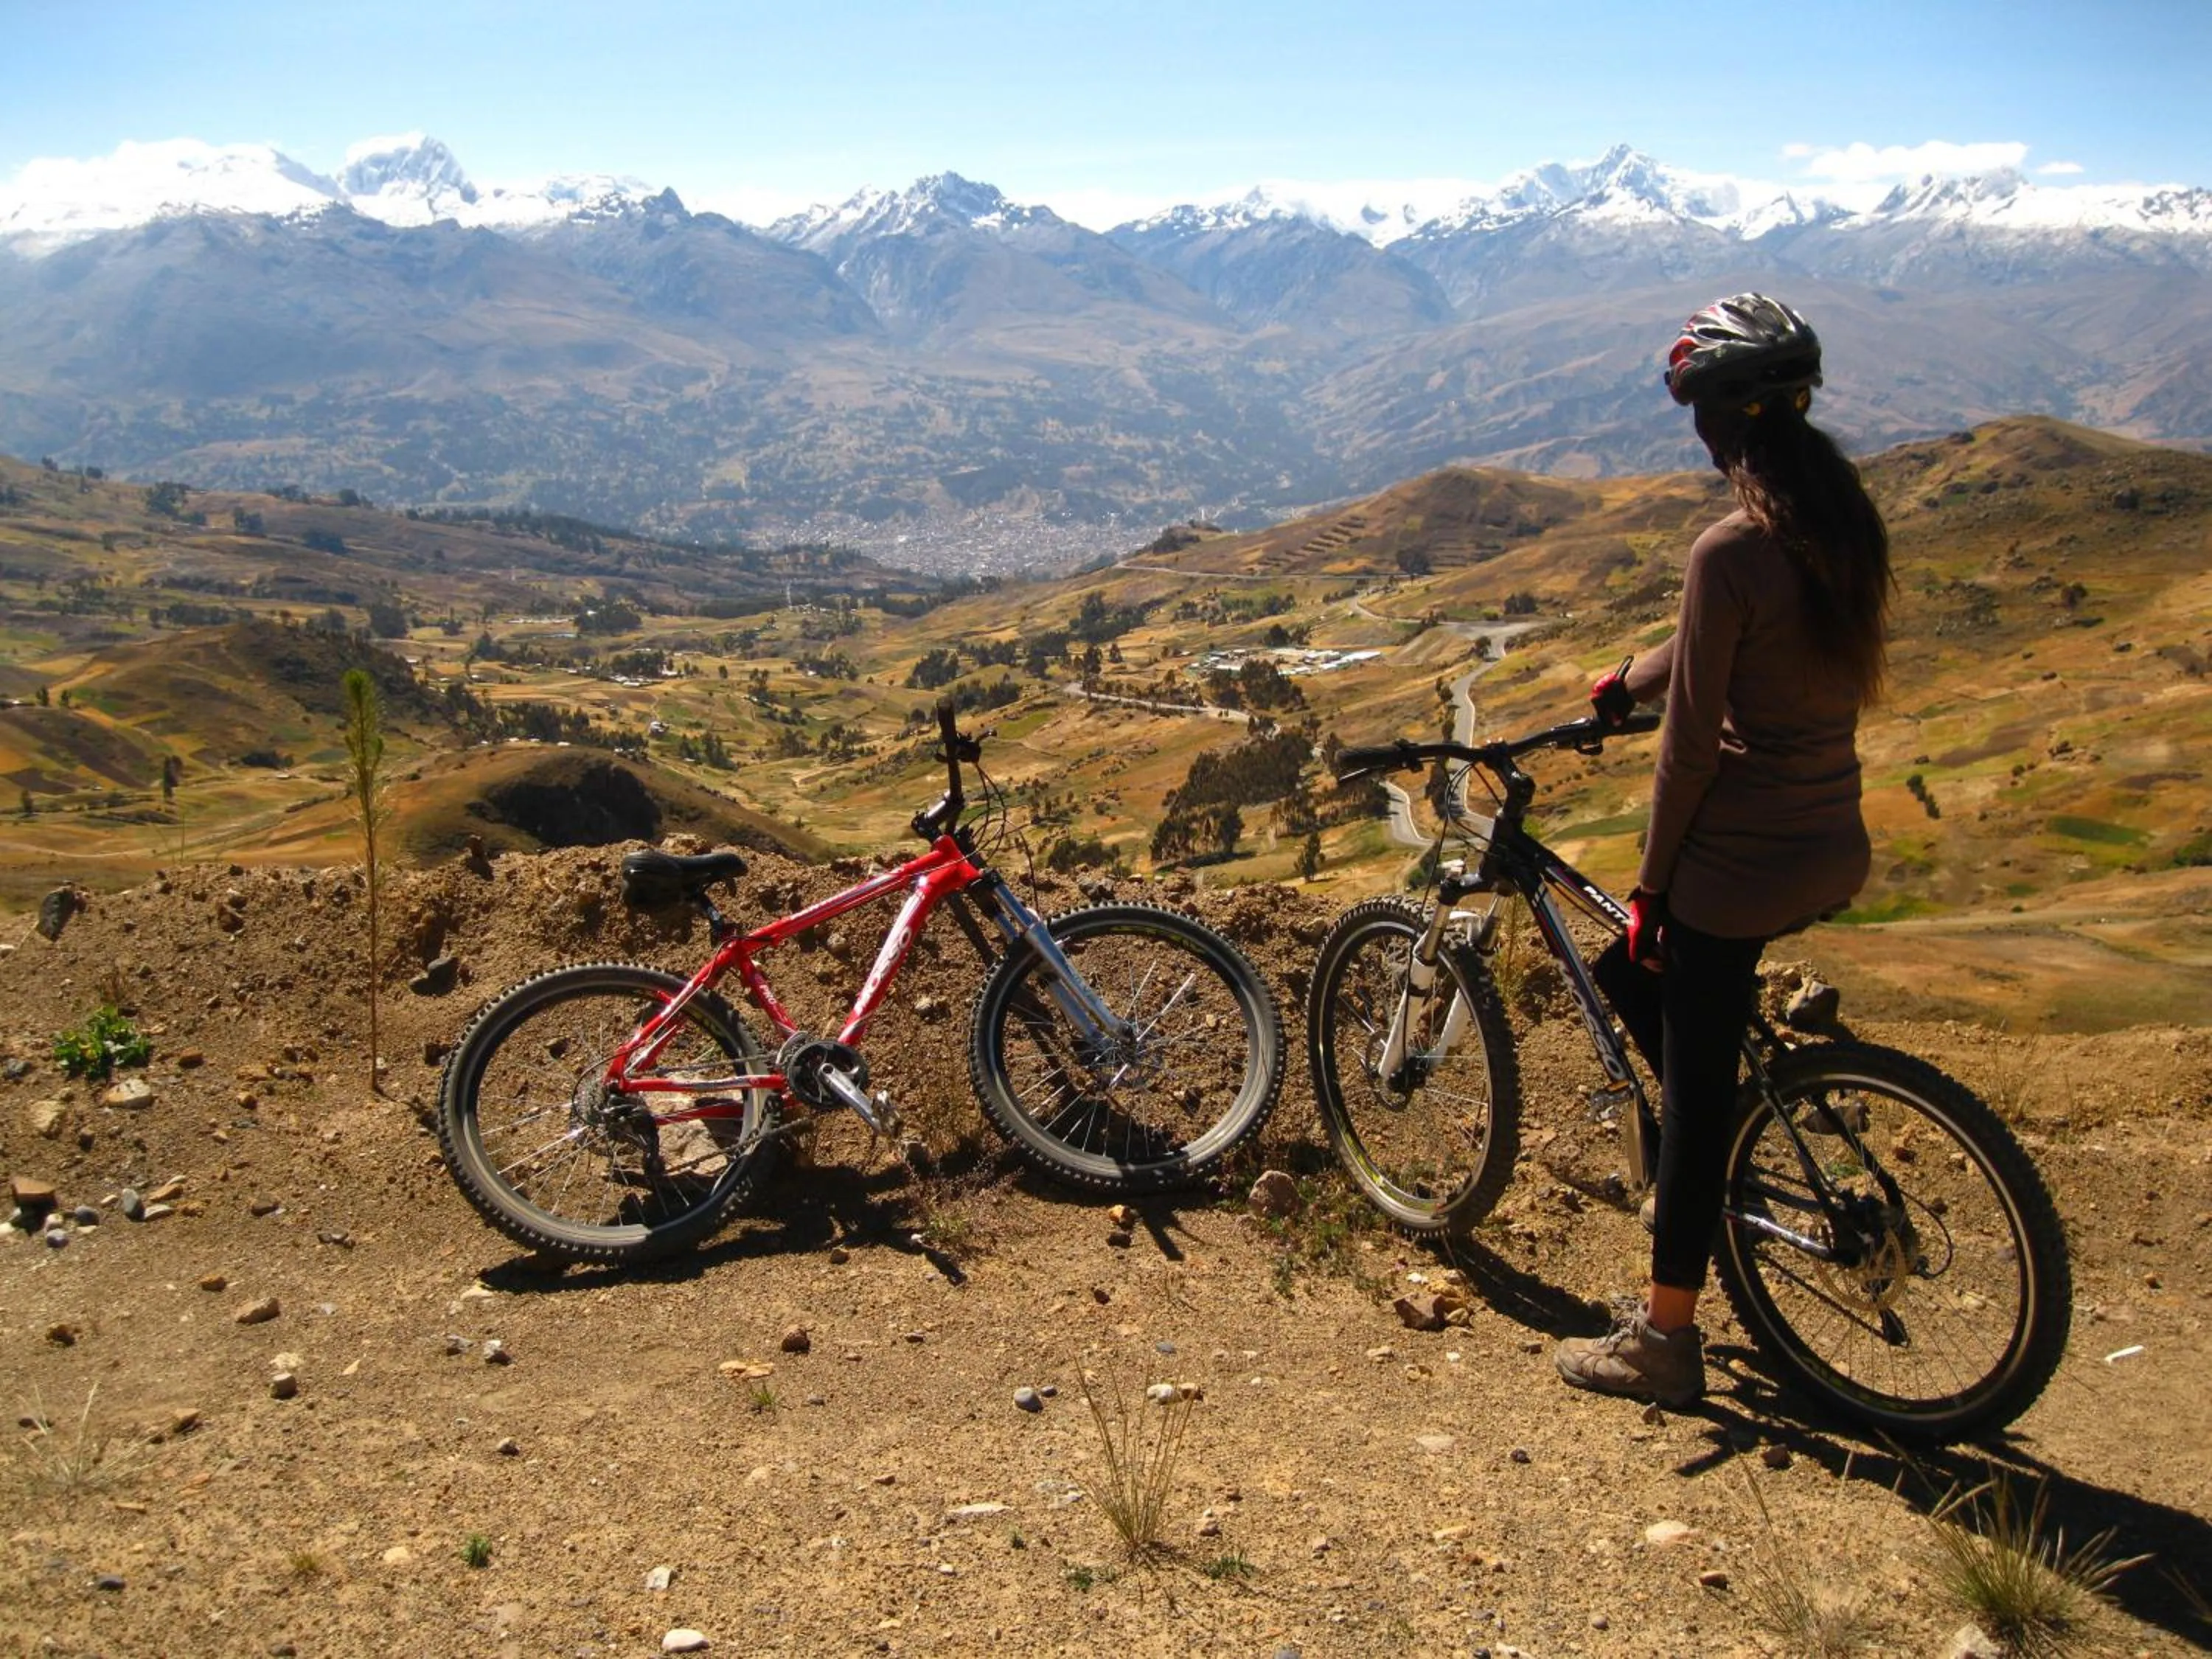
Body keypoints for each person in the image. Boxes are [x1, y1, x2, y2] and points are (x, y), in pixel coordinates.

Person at [1553, 293, 1892, 1405]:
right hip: (1830, 842)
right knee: (1627, 978)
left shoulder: (1729, 546)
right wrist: (1627, 676)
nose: (1692, 431)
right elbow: (1707, 650)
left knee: (1692, 1090)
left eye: (1696, 407)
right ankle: (1725, 1155)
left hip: (1736, 867)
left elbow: (1688, 751)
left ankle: (1662, 1338)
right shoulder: (1838, 523)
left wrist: (1651, 886)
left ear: (1728, 416)